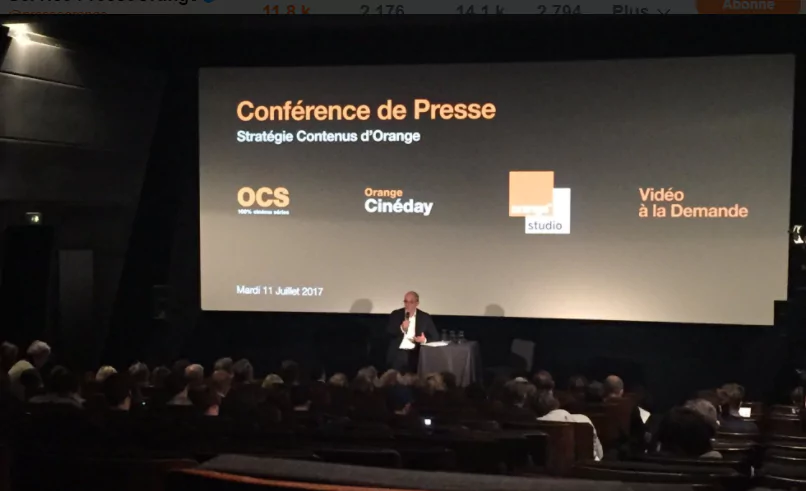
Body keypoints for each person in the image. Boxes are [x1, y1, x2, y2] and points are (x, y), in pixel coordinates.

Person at [386, 291, 438, 374]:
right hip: (399, 353)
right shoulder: (396, 314)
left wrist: (424, 340)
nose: (408, 305)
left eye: (411, 302)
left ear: (417, 303)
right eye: (406, 301)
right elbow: (389, 332)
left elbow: (435, 336)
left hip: (416, 353)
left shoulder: (424, 317)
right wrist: (402, 328)